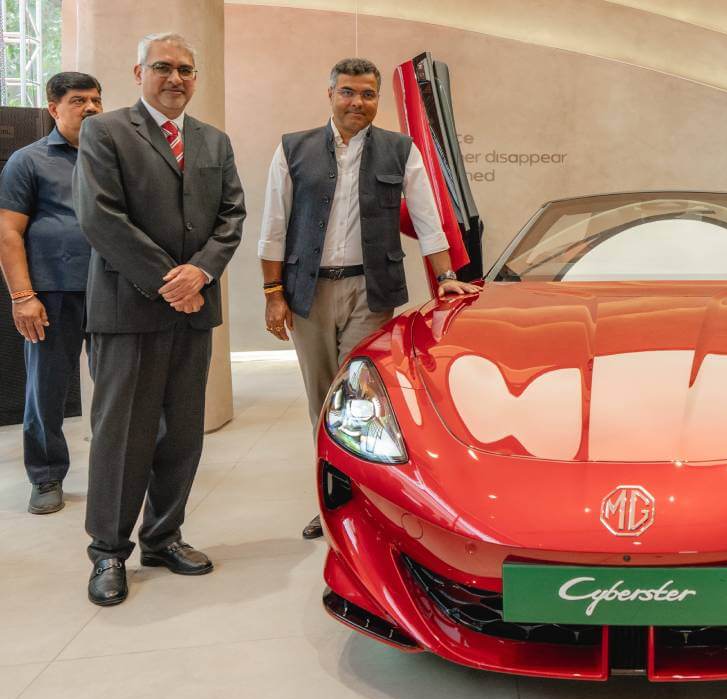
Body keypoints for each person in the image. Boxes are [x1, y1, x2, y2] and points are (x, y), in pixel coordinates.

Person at [257, 58, 480, 541]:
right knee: (321, 399)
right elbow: (273, 225)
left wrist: (446, 276)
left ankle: (363, 502)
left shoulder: (400, 150)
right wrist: (273, 293)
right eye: (347, 92)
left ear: (377, 98)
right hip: (307, 292)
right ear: (330, 94)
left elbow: (428, 217)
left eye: (367, 94)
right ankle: (330, 498)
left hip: (370, 291)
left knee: (360, 398)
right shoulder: (293, 148)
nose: (357, 102)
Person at [73, 32, 245, 606]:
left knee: (182, 433)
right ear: (138, 72)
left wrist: (202, 272)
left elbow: (231, 217)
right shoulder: (105, 131)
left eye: (186, 70)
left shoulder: (213, 140)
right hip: (129, 309)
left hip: (193, 313)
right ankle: (108, 552)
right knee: (123, 435)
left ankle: (164, 537)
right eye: (163, 67)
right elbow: (100, 217)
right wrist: (172, 281)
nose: (176, 78)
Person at [0, 72, 102, 515]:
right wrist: (23, 296)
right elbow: (7, 231)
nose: (91, 108)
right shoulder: (28, 160)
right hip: (52, 293)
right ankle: (45, 476)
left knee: (119, 387)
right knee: (46, 389)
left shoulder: (113, 157)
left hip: (112, 290)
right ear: (53, 108)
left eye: (96, 100)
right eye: (78, 100)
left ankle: (116, 471)